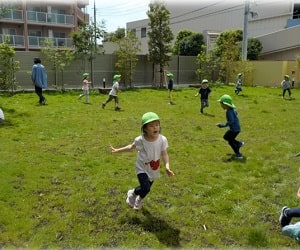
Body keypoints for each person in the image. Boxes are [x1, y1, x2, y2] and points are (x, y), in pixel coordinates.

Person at [109, 112, 175, 210]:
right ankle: (132, 194)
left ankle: (139, 198)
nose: (155, 128)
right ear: (144, 128)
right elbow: (131, 147)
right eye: (151, 126)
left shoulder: (162, 139)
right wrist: (118, 150)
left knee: (147, 189)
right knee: (145, 187)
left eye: (157, 125)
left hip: (153, 168)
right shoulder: (140, 140)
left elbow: (164, 154)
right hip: (142, 168)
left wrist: (167, 166)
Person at [216, 94, 244, 159]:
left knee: (230, 141)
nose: (221, 105)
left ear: (225, 105)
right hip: (236, 128)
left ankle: (238, 154)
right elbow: (236, 113)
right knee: (226, 137)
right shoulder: (232, 110)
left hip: (234, 130)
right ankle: (239, 143)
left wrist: (222, 125)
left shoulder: (228, 112)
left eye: (221, 104)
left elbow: (231, 121)